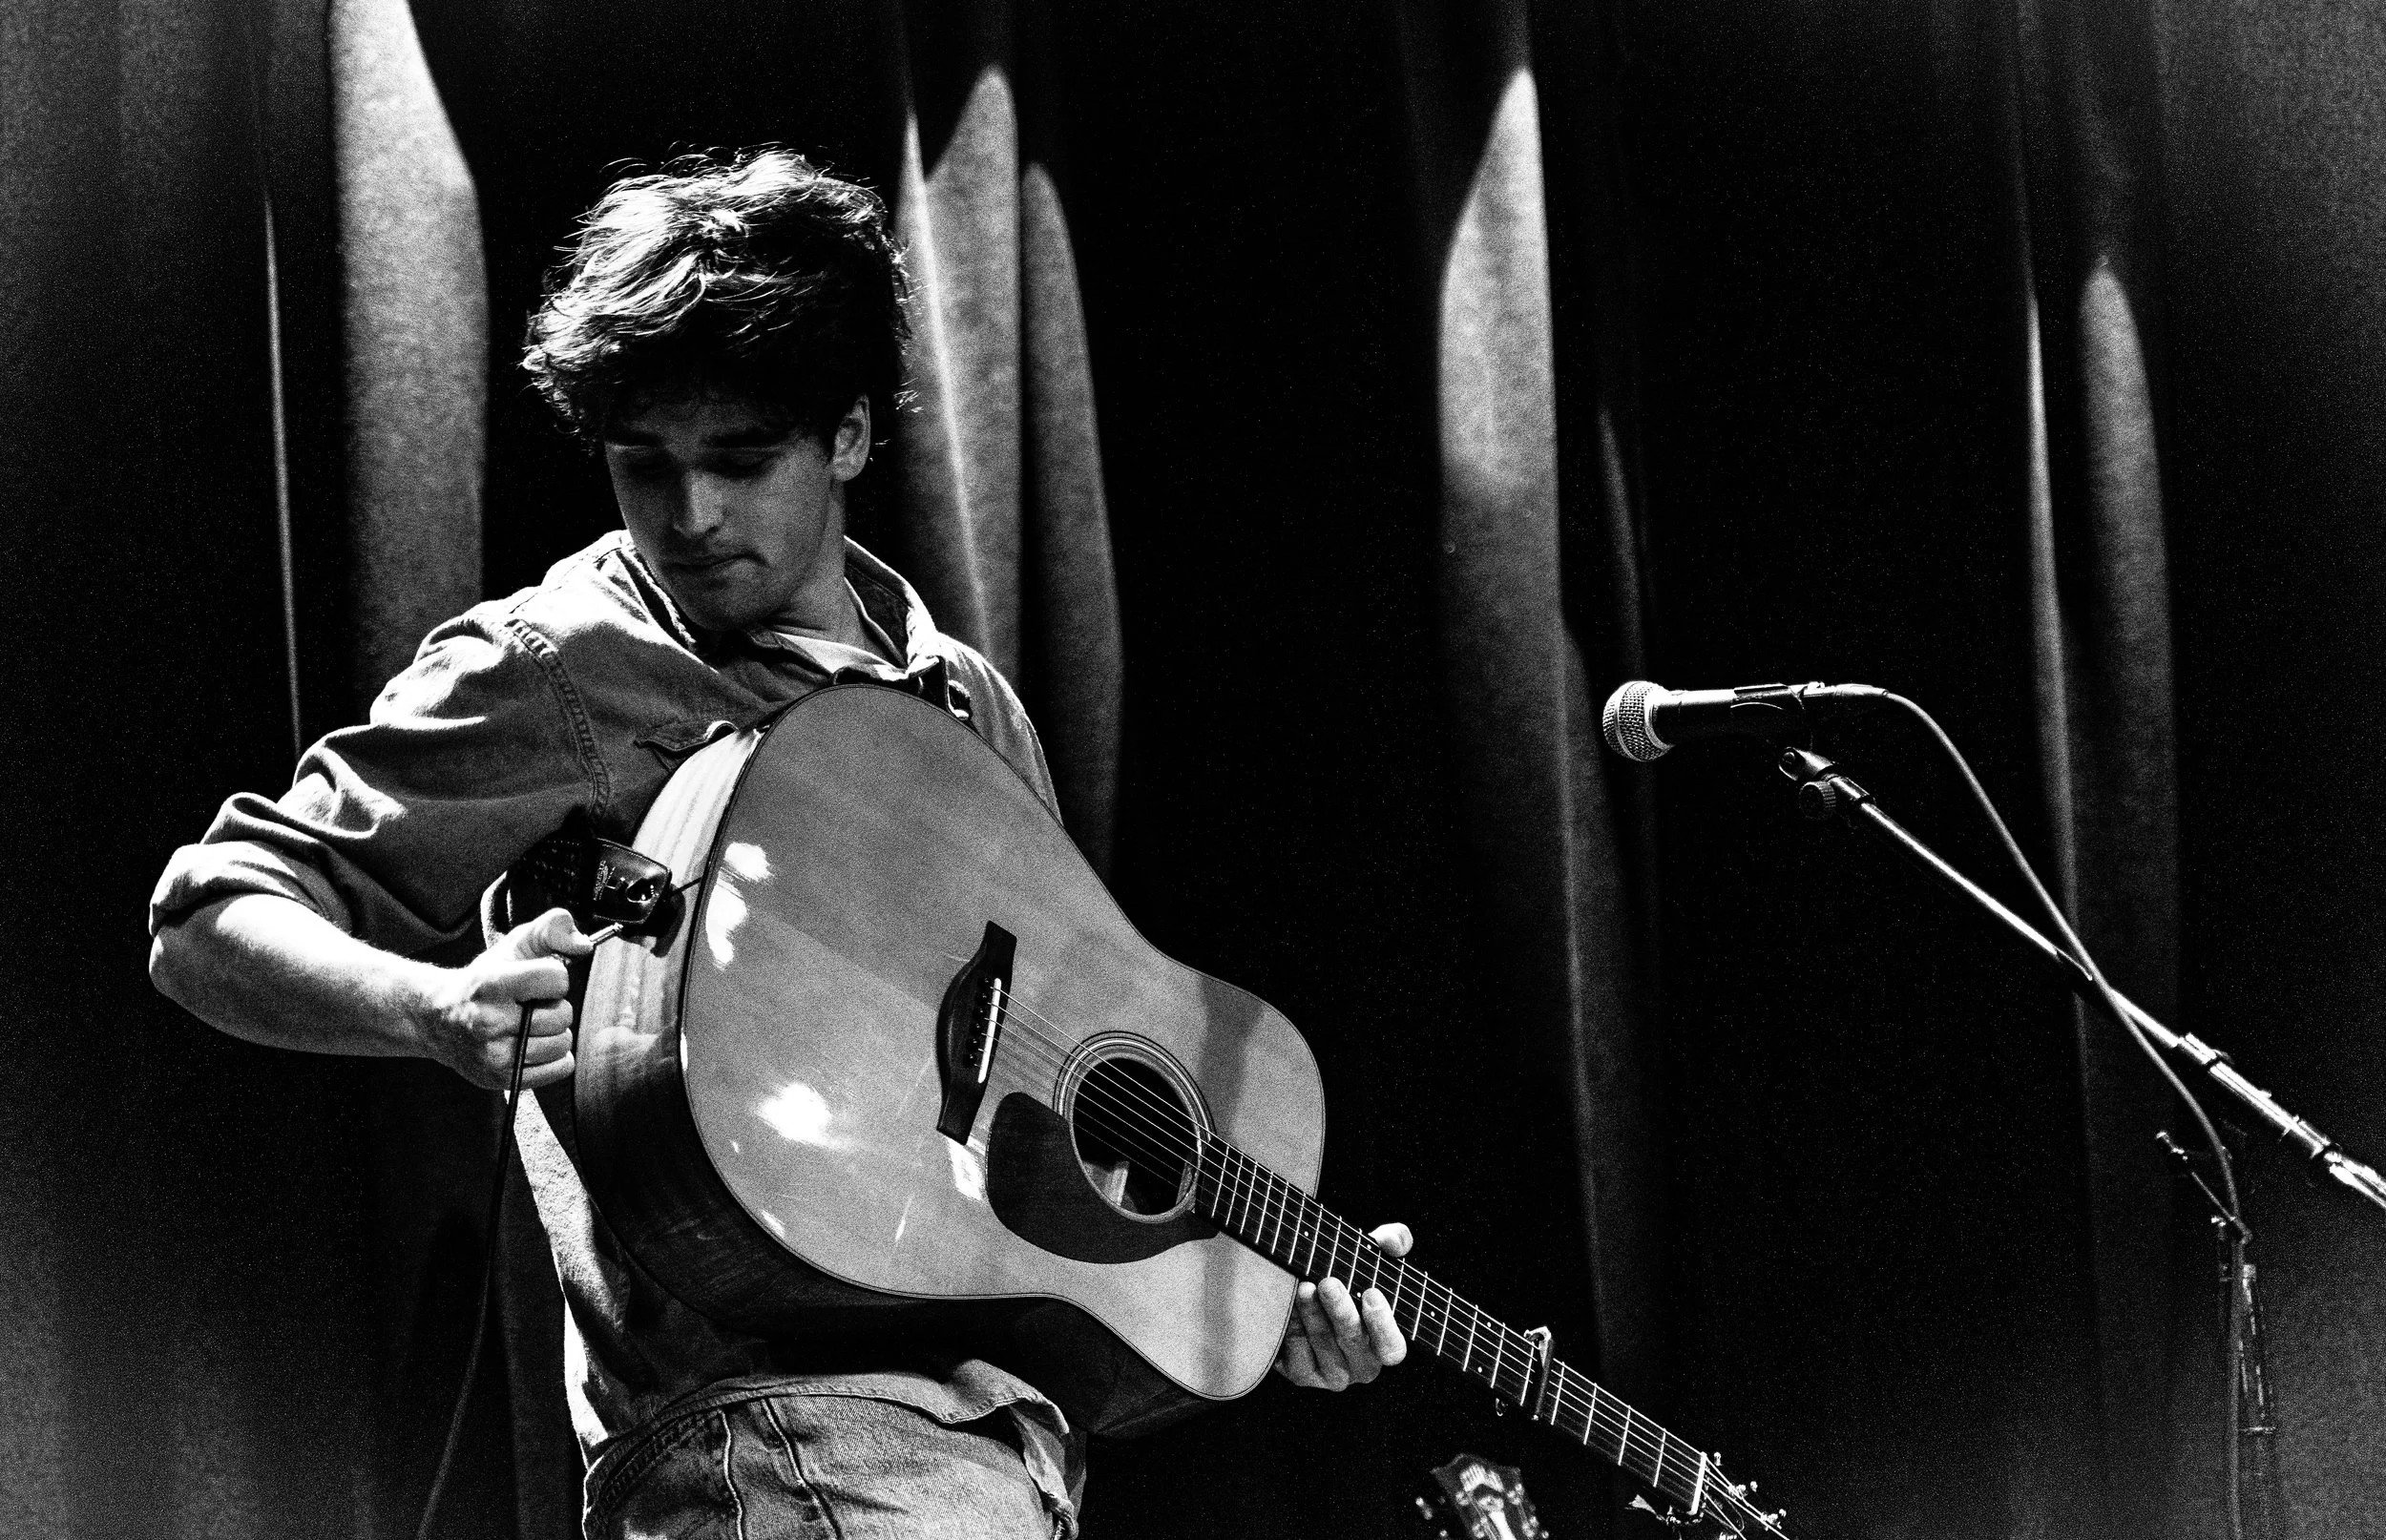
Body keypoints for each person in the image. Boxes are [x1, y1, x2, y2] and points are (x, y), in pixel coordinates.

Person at [148, 147, 1408, 1539]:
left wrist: (1264, 1296)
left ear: (853, 435)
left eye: (742, 462)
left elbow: (1017, 1192)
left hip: (997, 1456)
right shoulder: (565, 665)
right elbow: (206, 911)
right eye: (647, 465)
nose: (690, 517)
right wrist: (432, 1004)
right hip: (781, 1441)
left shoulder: (965, 702)